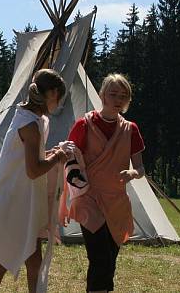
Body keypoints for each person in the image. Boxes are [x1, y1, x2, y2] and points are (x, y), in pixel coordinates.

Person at [0, 69, 68, 293]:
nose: (60, 104)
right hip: (15, 199)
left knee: (34, 256)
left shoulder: (32, 118)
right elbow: (33, 170)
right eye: (60, 98)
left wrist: (50, 154)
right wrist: (56, 157)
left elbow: (31, 160)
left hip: (25, 198)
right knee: (3, 259)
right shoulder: (30, 124)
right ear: (53, 93)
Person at [59, 73, 146, 293]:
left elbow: (141, 167)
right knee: (100, 259)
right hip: (89, 199)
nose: (118, 99)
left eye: (123, 95)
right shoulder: (84, 124)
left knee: (109, 260)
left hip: (116, 202)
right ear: (102, 94)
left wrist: (133, 173)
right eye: (113, 93)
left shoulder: (131, 129)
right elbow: (69, 160)